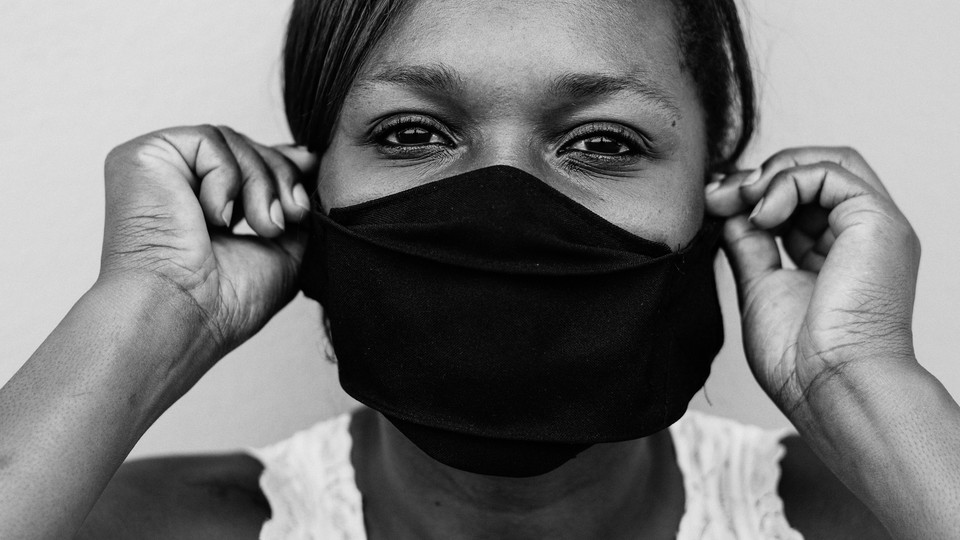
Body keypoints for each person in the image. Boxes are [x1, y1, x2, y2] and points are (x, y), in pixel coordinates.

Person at [1, 0, 957, 538]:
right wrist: (150, 310)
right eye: (413, 132)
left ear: (722, 194)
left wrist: (857, 378)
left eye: (603, 141)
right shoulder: (145, 527)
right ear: (310, 185)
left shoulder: (866, 523)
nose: (504, 199)